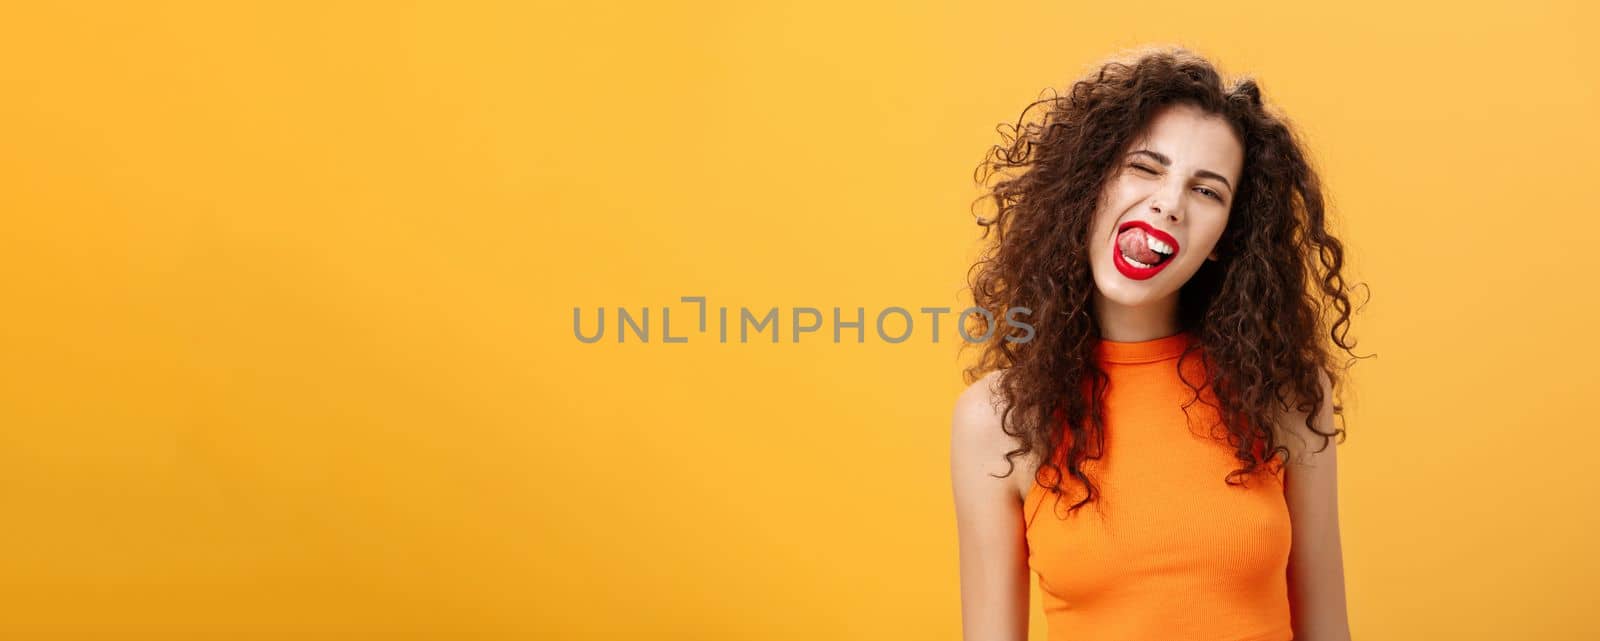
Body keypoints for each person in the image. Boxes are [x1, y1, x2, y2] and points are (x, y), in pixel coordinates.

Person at [950, 46, 1364, 641]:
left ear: (1226, 237)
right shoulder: (998, 421)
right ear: (1089, 186)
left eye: (1207, 191)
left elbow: (1327, 629)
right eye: (1146, 167)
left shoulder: (1285, 393)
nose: (1169, 202)